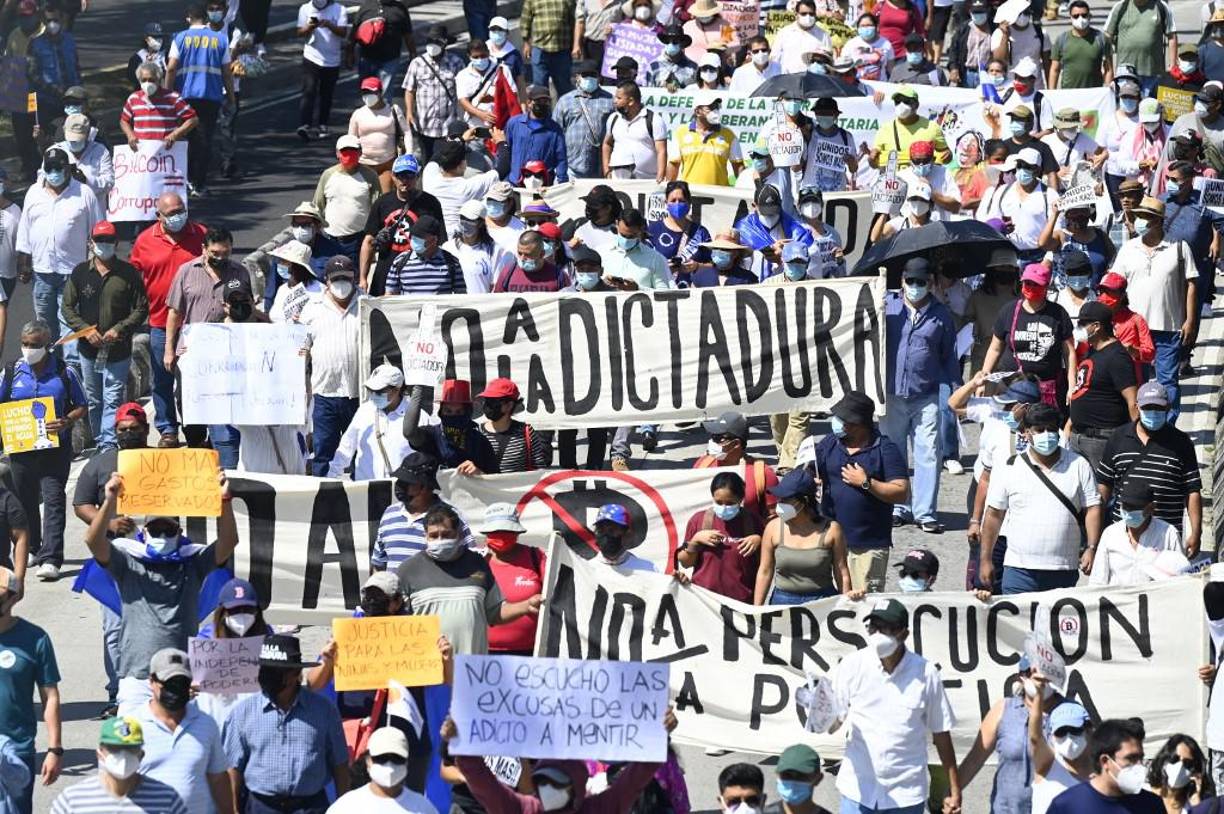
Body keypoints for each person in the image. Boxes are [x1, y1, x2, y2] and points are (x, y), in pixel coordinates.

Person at [85, 468, 237, 714]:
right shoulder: (128, 563)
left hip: (181, 675)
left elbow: (228, 543)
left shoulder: (192, 563)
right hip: (137, 678)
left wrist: (225, 501)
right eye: (156, 530)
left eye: (169, 530)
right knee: (130, 749)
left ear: (180, 533)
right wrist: (110, 499)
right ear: (144, 533)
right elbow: (93, 541)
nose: (162, 535)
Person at [830, 598, 961, 813]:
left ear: (904, 635)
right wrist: (822, 715)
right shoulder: (853, 665)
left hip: (905, 796)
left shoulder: (926, 674)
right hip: (858, 792)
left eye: (887, 629)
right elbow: (834, 721)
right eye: (874, 627)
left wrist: (954, 789)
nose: (878, 634)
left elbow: (941, 734)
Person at [979, 402, 1102, 594]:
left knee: (1056, 624)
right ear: (1027, 433)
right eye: (1040, 430)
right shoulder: (1010, 467)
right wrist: (985, 559)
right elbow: (994, 515)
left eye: (1052, 429)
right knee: (1016, 624)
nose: (1047, 435)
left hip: (1063, 569)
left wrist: (1092, 547)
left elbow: (1093, 508)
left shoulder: (1079, 465)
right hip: (1019, 570)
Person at [1, 320, 88, 582]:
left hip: (54, 447)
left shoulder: (65, 371)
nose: (29, 349)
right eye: (25, 344)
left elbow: (81, 405)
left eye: (35, 345)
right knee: (25, 500)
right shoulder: (12, 371)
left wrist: (67, 420)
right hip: (22, 447)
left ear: (47, 345)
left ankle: (51, 558)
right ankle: (32, 548)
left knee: (53, 499)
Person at [223, 635, 350, 812]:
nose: (267, 676)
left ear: (295, 674)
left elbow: (340, 763)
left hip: (309, 806)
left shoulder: (324, 711)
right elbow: (233, 767)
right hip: (261, 806)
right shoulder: (243, 712)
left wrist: (344, 806)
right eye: (265, 670)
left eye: (276, 672)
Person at [398, 503, 540, 655]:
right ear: (425, 536)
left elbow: (494, 613)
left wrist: (526, 606)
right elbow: (394, 624)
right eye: (433, 536)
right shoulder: (408, 570)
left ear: (458, 534)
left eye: (446, 535)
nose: (440, 540)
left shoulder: (477, 563)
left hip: (472, 670)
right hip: (428, 671)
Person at [805, 392, 910, 593]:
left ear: (858, 423)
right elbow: (809, 469)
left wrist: (866, 483)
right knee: (829, 602)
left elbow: (901, 492)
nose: (836, 423)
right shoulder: (830, 443)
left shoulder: (884, 449)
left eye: (842, 419)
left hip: (867, 545)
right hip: (829, 541)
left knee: (863, 604)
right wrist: (811, 479)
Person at [883, 258, 959, 534]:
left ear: (931, 284)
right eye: (910, 281)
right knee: (894, 453)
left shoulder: (942, 315)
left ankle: (925, 512)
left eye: (921, 282)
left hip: (926, 395)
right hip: (892, 394)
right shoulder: (887, 306)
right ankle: (898, 507)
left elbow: (949, 356)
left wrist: (956, 391)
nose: (915, 287)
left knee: (929, 453)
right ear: (902, 280)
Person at [61, 221, 149, 452]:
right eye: (99, 240)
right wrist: (86, 330)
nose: (104, 245)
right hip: (88, 350)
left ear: (116, 243)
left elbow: (141, 308)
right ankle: (101, 439)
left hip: (118, 349)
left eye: (108, 240)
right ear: (91, 243)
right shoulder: (80, 272)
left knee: (112, 397)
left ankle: (108, 444)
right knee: (94, 399)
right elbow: (67, 307)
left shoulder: (129, 273)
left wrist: (120, 329)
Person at [129, 192, 206, 447]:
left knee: (194, 380)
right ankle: (167, 430)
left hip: (197, 325)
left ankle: (195, 428)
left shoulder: (201, 235)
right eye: (171, 213)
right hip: (161, 324)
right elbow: (134, 279)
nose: (177, 216)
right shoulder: (144, 241)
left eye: (180, 210)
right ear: (158, 216)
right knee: (162, 379)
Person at [1111, 195, 1197, 422]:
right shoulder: (1128, 249)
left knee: (1167, 382)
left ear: (1158, 221)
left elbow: (1191, 284)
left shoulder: (1179, 248)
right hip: (1133, 331)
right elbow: (1114, 284)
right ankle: (1138, 425)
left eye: (1146, 217)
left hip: (1168, 328)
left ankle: (1166, 427)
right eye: (1139, 216)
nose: (1140, 221)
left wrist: (1190, 320)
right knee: (1133, 381)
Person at [163, 226, 249, 448]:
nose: (221, 258)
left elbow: (249, 311)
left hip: (227, 354)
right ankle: (196, 442)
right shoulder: (186, 272)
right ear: (204, 249)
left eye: (226, 253)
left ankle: (218, 443)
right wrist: (169, 350)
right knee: (187, 402)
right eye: (215, 253)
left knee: (223, 402)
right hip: (191, 352)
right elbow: (174, 312)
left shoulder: (240, 273)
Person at [1097, 380, 1202, 556]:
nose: (1153, 413)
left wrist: (1196, 532)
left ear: (1168, 408)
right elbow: (1104, 485)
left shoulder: (1181, 442)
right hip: (1123, 536)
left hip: (1165, 538)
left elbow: (1192, 490)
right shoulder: (1118, 438)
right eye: (1148, 408)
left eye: (1158, 408)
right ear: (1137, 407)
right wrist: (1096, 533)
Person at [15, 148, 102, 351]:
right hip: (42, 273)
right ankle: (50, 367)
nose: (54, 172)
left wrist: (97, 266)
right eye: (49, 168)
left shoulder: (84, 193)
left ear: (67, 169)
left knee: (70, 325)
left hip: (72, 273)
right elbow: (25, 230)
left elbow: (97, 231)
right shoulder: (33, 193)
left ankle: (71, 371)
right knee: (44, 324)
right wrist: (23, 263)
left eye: (58, 168)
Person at [959, 656, 1070, 813]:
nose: (1041, 681)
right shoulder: (1003, 709)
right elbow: (975, 758)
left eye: (1046, 675)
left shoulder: (1071, 713)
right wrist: (953, 792)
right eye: (1035, 674)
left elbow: (1085, 765)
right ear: (1022, 677)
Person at [133, 648, 232, 814]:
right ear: (152, 681)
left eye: (182, 684)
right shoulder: (132, 725)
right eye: (170, 684)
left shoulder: (206, 724)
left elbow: (218, 779)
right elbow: (114, 785)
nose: (176, 690)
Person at [0, 564, 61, 814]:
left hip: (16, 748)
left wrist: (54, 749)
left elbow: (50, 697)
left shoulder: (35, 639)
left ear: (14, 597)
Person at [981, 263, 1075, 411]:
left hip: (1047, 389)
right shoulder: (1008, 311)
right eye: (1027, 283)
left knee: (1043, 430)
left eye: (1036, 284)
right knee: (1011, 427)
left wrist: (1072, 385)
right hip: (1013, 388)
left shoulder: (1058, 314)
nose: (1031, 287)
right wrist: (984, 378)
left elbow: (1069, 353)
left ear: (1046, 286)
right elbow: (995, 348)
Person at [300, 256, 364, 476]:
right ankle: (323, 499)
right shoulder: (311, 310)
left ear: (354, 278)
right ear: (326, 280)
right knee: (323, 452)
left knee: (361, 452)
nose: (341, 283)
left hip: (359, 394)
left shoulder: (368, 305)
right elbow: (301, 351)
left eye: (346, 278)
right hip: (325, 394)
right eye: (336, 279)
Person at [165, 4, 235, 196]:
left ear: (189, 18)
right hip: (210, 97)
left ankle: (183, 180)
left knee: (183, 138)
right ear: (206, 18)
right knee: (204, 140)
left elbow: (171, 68)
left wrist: (167, 95)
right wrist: (231, 97)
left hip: (183, 98)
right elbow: (227, 74)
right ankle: (199, 183)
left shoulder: (179, 38)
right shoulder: (220, 39)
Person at [753, 468, 851, 605]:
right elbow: (764, 571)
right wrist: (757, 609)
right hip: (783, 602)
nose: (779, 503)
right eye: (780, 498)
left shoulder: (832, 530)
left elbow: (842, 572)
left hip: (822, 602)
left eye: (786, 499)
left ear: (804, 501)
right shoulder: (773, 528)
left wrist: (847, 606)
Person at [50, 717, 188, 814]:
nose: (123, 756)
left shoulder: (166, 800)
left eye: (131, 749)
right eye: (115, 749)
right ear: (100, 754)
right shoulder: (73, 800)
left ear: (141, 755)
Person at [1067, 301, 1139, 473]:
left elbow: (1133, 401)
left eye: (1082, 324)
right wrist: (1069, 425)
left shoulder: (1117, 357)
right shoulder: (1092, 351)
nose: (1078, 328)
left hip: (1101, 440)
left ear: (1097, 326)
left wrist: (1138, 440)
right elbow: (1083, 390)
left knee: (1103, 493)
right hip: (1078, 436)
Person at [330, 364, 433, 479]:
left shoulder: (420, 418)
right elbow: (346, 447)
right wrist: (331, 478)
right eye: (371, 390)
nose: (374, 395)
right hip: (365, 489)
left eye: (379, 391)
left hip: (401, 492)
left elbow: (430, 456)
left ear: (396, 390)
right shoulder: (364, 411)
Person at [360, 155, 444, 293]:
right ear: (393, 176)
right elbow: (368, 241)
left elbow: (440, 240)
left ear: (417, 176)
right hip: (385, 272)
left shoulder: (431, 203)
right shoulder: (382, 203)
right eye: (400, 176)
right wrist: (363, 278)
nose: (405, 180)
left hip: (419, 273)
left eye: (410, 175)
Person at [1046, 718, 1164, 813]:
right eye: (1131, 758)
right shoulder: (1067, 806)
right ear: (1105, 761)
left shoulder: (1152, 805)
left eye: (1140, 758)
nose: (1139, 765)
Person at [477, 504, 546, 657]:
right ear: (487, 532)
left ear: (517, 531)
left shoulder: (537, 557)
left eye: (507, 531)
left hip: (530, 654)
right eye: (497, 532)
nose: (502, 536)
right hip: (480, 654)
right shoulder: (475, 561)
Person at [1089, 480, 1184, 586]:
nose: (1129, 512)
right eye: (1126, 507)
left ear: (1151, 508)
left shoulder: (1169, 535)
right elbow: (1097, 581)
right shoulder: (1110, 534)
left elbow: (1182, 580)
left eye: (1135, 508)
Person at [326, 727, 439, 813]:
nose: (389, 765)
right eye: (381, 758)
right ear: (368, 761)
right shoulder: (346, 807)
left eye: (396, 758)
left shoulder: (423, 808)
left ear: (406, 762)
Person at [312, 135, 380, 264]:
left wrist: (373, 240)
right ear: (337, 153)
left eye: (353, 151)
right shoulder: (328, 175)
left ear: (360, 153)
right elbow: (318, 205)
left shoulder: (370, 176)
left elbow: (377, 208)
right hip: (329, 239)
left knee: (354, 277)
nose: (348, 155)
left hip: (357, 239)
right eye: (344, 151)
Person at [401, 25, 464, 162]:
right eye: (430, 42)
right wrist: (410, 113)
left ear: (444, 44)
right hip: (425, 125)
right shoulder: (417, 63)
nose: (432, 46)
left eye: (436, 42)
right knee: (427, 161)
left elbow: (463, 93)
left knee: (447, 162)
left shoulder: (456, 63)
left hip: (448, 125)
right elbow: (409, 90)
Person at [120, 61, 198, 169]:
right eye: (144, 80)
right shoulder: (133, 98)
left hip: (166, 156)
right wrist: (130, 135)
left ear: (159, 80)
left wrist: (175, 135)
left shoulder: (172, 98)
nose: (148, 83)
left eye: (152, 80)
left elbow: (192, 119)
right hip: (141, 156)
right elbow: (124, 120)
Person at [295, 0, 348, 140]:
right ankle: (305, 124)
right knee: (308, 91)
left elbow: (343, 32)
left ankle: (322, 124)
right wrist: (310, 27)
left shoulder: (340, 9)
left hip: (332, 60)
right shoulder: (305, 8)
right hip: (311, 57)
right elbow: (299, 32)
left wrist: (329, 24)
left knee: (326, 94)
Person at [553, 61, 614, 180]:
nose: (589, 78)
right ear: (577, 78)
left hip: (599, 169)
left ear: (599, 78)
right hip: (570, 168)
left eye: (593, 75)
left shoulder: (610, 100)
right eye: (585, 75)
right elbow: (556, 133)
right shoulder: (565, 101)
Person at [667, 91, 742, 185]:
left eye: (716, 107)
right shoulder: (680, 133)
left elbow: (738, 166)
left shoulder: (729, 134)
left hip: (720, 196)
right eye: (710, 108)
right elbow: (673, 165)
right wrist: (668, 190)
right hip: (690, 194)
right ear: (697, 111)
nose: (715, 111)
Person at [477, 378, 551, 472]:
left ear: (509, 405)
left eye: (493, 401)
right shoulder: (477, 432)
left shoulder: (526, 432)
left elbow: (539, 469)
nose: (487, 405)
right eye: (486, 400)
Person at [24, 3, 79, 130]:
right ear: (43, 20)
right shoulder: (35, 44)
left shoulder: (69, 41)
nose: (52, 24)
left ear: (62, 19)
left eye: (55, 20)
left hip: (71, 102)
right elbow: (33, 76)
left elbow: (76, 68)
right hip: (47, 103)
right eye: (49, 20)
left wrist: (79, 92)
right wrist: (56, 90)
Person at [348, 77, 406, 193]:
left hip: (387, 164)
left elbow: (407, 132)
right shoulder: (358, 114)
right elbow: (351, 140)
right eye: (365, 92)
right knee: (364, 198)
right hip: (364, 165)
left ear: (380, 92)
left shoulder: (393, 110)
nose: (368, 95)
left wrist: (408, 154)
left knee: (386, 197)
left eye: (371, 92)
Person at [501, 86, 568, 186]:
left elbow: (561, 158)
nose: (542, 105)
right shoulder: (514, 123)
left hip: (542, 185)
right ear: (529, 103)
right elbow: (506, 151)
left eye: (546, 102)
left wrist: (562, 182)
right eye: (538, 101)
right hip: (516, 183)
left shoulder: (555, 129)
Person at [870, 86, 950, 170]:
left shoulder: (932, 127)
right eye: (897, 102)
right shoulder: (885, 129)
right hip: (897, 180)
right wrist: (871, 159)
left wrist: (947, 156)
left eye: (906, 101)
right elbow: (874, 164)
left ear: (916, 105)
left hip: (926, 180)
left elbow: (946, 155)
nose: (901, 105)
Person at [1103, 0, 1176, 92]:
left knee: (1150, 105)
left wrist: (1173, 65)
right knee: (1127, 105)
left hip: (1153, 72)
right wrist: (1109, 71)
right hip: (1125, 72)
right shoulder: (1120, 7)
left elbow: (1172, 36)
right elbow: (1107, 36)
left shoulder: (1160, 6)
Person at [349, 0, 415, 99]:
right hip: (367, 59)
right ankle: (368, 114)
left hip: (390, 59)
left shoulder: (400, 9)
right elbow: (354, 32)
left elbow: (408, 35)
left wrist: (413, 54)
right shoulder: (366, 7)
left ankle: (383, 113)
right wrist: (349, 53)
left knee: (384, 95)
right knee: (367, 94)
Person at [384, 216, 466, 296]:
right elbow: (390, 295)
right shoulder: (400, 261)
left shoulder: (451, 262)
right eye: (414, 235)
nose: (415, 238)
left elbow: (461, 297)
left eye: (420, 236)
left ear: (434, 239)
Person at [603, 82, 668, 181]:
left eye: (619, 98)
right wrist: (606, 171)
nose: (615, 101)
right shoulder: (613, 118)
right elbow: (607, 144)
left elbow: (661, 151)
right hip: (618, 181)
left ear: (631, 101)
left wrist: (660, 176)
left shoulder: (653, 119)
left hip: (647, 181)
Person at [1096, 272, 1156, 375]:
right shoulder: (1096, 319)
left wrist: (1134, 351)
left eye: (1109, 292)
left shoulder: (1136, 320)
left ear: (1122, 295)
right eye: (1101, 292)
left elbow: (1150, 353)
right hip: (1103, 378)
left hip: (1129, 378)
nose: (1104, 296)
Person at [1048, 0, 1112, 88]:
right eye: (1076, 16)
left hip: (1094, 95)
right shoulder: (1062, 39)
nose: (1080, 19)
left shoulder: (1100, 39)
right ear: (1070, 18)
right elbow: (1055, 69)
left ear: (1089, 16)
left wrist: (1107, 91)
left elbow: (1108, 69)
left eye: (1084, 15)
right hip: (1069, 95)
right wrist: (1052, 94)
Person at [520, 0, 576, 95]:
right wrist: (526, 43)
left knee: (564, 88)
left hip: (562, 50)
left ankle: (564, 109)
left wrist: (575, 44)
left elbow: (573, 21)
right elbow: (525, 21)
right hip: (540, 50)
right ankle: (543, 110)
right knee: (540, 90)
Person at [266, 240, 322, 323]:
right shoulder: (282, 289)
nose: (280, 264)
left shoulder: (319, 290)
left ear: (296, 266)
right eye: (280, 260)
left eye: (284, 261)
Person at [773, 0, 833, 73]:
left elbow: (828, 62)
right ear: (796, 14)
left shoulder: (824, 35)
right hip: (788, 79)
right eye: (803, 14)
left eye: (811, 14)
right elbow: (774, 60)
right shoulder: (784, 33)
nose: (808, 17)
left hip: (812, 80)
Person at [946, 1, 992, 88]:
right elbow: (954, 49)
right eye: (975, 12)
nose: (978, 15)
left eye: (981, 12)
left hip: (987, 75)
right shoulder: (964, 28)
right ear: (970, 12)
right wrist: (953, 68)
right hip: (967, 74)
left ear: (987, 11)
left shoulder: (994, 28)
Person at [126, 23, 166, 87]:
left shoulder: (167, 56)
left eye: (160, 37)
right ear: (146, 39)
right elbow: (132, 78)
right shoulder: (137, 58)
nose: (158, 40)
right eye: (154, 37)